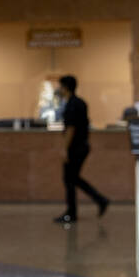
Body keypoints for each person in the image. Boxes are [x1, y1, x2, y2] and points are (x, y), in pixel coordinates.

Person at [54, 75, 109, 224]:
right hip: (82, 145)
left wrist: (65, 149)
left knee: (69, 179)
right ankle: (99, 200)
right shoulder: (80, 103)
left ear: (65, 87)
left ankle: (73, 212)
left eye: (60, 86)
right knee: (73, 178)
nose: (59, 89)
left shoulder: (72, 104)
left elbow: (71, 128)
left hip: (75, 147)